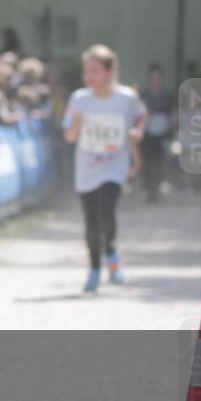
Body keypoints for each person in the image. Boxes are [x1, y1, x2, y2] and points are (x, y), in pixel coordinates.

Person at [63, 44, 146, 293]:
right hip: (86, 170)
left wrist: (137, 131)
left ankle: (110, 251)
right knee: (91, 223)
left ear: (109, 71)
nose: (89, 76)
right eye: (86, 70)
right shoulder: (80, 99)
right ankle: (95, 269)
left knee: (105, 210)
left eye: (95, 70)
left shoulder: (125, 98)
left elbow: (142, 115)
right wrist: (76, 125)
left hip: (114, 168)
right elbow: (69, 136)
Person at [140, 63, 173, 203]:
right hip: (147, 135)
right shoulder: (144, 95)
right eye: (153, 79)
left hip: (162, 135)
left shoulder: (167, 95)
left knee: (159, 163)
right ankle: (149, 190)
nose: (155, 81)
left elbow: (172, 114)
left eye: (157, 79)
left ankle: (156, 190)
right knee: (147, 163)